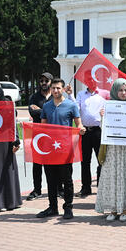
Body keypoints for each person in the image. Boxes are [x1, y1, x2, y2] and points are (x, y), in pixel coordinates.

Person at [36, 78, 86, 220]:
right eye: (53, 88)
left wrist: (81, 129)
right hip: (49, 149)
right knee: (51, 180)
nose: (56, 91)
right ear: (50, 89)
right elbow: (42, 127)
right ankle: (52, 207)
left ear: (63, 89)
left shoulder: (71, 105)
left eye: (58, 88)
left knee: (67, 179)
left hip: (65, 148)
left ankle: (68, 207)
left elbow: (78, 123)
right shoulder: (46, 106)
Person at [95, 79, 126, 221]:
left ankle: (125, 209)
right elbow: (104, 129)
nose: (123, 93)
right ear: (114, 91)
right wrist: (103, 116)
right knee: (112, 177)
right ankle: (113, 209)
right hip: (112, 150)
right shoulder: (108, 106)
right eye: (120, 90)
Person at [72, 85, 106, 198]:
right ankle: (86, 187)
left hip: (98, 131)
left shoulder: (103, 94)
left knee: (101, 159)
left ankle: (102, 186)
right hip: (85, 131)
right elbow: (75, 108)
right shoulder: (81, 94)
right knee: (85, 161)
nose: (91, 81)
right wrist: (70, 94)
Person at [26, 72, 53, 201]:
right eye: (41, 80)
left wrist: (41, 111)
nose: (43, 83)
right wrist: (48, 112)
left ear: (51, 82)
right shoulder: (34, 97)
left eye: (46, 81)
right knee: (37, 163)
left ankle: (58, 189)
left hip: (54, 135)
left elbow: (57, 112)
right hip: (38, 134)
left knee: (54, 163)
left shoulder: (55, 96)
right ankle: (37, 190)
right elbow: (32, 111)